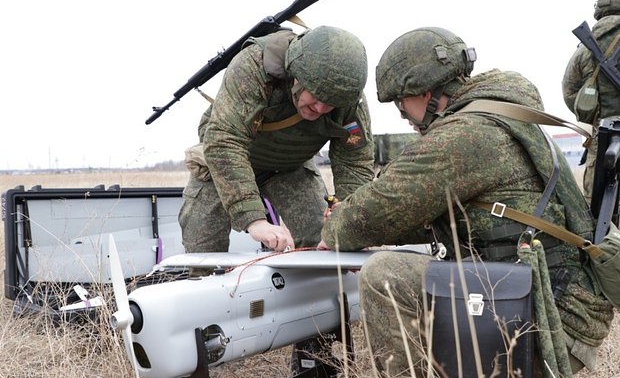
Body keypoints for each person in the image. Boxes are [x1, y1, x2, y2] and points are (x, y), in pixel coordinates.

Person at [319, 27, 614, 377]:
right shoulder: (502, 115)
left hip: (548, 321)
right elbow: (444, 214)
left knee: (385, 275)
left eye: (401, 103)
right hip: (556, 305)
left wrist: (338, 227)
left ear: (424, 92)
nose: (403, 115)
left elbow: (373, 212)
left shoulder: (467, 134)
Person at [178, 25, 375, 253]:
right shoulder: (253, 66)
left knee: (324, 241)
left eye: (330, 102)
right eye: (316, 95)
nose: (321, 108)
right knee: (201, 247)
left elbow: (354, 163)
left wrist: (348, 225)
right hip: (223, 165)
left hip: (289, 166)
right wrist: (254, 220)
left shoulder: (348, 97)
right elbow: (225, 140)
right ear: (296, 76)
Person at [562, 0, 620, 203]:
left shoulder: (588, 46)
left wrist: (596, 114)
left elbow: (570, 92)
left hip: (604, 137)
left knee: (598, 211)